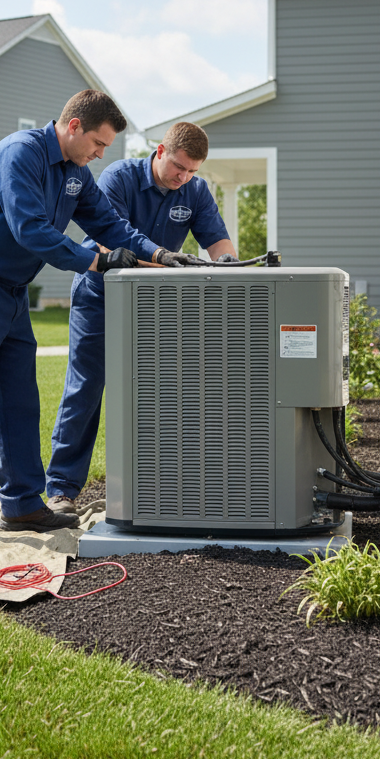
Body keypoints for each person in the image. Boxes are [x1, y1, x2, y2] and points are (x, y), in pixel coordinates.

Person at [0, 91, 196, 545]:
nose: (100, 154)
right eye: (98, 143)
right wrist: (96, 261)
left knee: (19, 401)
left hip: (11, 293)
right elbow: (29, 228)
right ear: (73, 127)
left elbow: (109, 222)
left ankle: (23, 505)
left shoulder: (76, 173)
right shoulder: (21, 153)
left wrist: (158, 253)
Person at [45, 122, 238, 512]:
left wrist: (228, 266)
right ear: (161, 150)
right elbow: (108, 239)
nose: (183, 178)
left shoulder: (195, 191)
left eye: (192, 172)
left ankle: (159, 482)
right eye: (179, 167)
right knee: (85, 388)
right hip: (100, 296)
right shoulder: (119, 177)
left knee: (164, 392)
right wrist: (172, 265)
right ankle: (62, 489)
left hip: (158, 304)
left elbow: (217, 242)